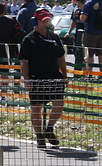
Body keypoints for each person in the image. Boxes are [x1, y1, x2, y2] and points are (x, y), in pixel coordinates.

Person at [20, 8, 67, 148]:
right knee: (36, 107)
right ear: (37, 22)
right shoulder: (28, 40)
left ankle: (49, 128)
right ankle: (39, 135)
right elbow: (24, 61)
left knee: (58, 105)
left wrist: (64, 75)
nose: (47, 22)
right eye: (44, 20)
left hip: (54, 77)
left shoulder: (54, 37)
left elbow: (61, 57)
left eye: (48, 19)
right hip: (36, 78)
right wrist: (27, 78)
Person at [0, 3, 25, 73]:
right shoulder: (12, 21)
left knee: (3, 71)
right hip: (12, 50)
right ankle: (15, 82)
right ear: (4, 11)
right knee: (13, 71)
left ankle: (4, 83)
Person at [65, 0, 87, 67]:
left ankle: (84, 71)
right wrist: (68, 32)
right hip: (77, 32)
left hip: (86, 33)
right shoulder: (75, 9)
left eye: (78, 0)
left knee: (85, 53)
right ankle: (78, 69)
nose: (76, 2)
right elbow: (73, 22)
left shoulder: (87, 9)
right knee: (76, 50)